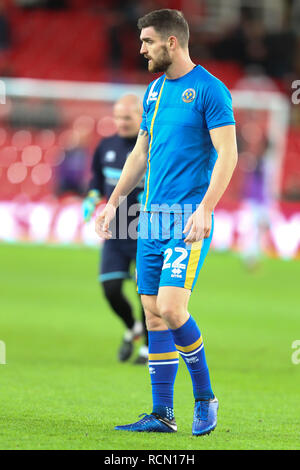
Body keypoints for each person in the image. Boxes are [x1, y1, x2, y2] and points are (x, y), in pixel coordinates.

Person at [95, 9, 238, 436]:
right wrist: (114, 203)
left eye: (147, 41)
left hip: (187, 219)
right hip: (151, 221)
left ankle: (205, 398)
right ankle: (162, 414)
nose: (141, 49)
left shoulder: (211, 91)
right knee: (153, 316)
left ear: (171, 42)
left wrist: (206, 208)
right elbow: (140, 154)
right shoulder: (154, 92)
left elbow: (228, 154)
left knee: (173, 309)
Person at [83, 94, 148, 364]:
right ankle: (132, 328)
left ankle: (147, 347)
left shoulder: (152, 147)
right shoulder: (106, 145)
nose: (120, 122)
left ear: (141, 117)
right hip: (115, 230)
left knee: (145, 293)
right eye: (117, 116)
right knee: (110, 288)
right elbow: (96, 179)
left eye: (127, 117)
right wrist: (91, 196)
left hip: (146, 231)